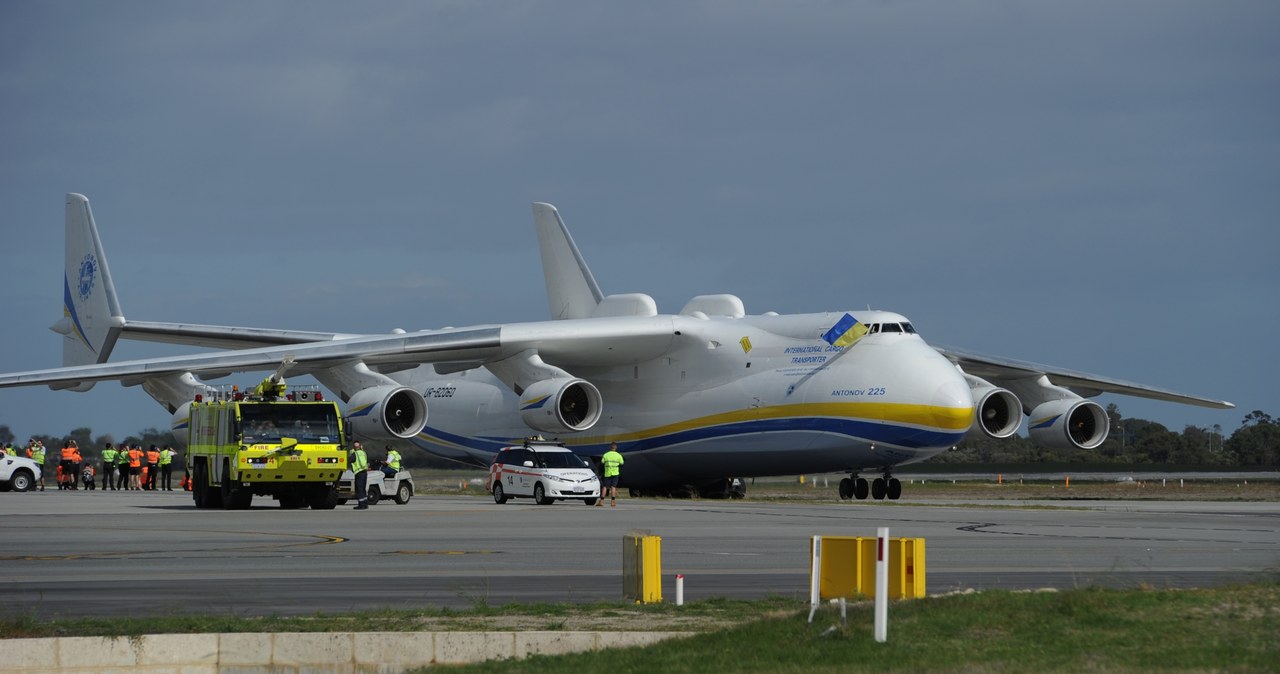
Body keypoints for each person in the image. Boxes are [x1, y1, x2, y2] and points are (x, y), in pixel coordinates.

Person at [598, 442, 624, 508]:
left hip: (607, 473)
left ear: (610, 447)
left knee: (605, 487)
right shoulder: (619, 455)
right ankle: (613, 502)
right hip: (615, 473)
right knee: (613, 487)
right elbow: (622, 463)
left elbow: (602, 462)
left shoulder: (606, 455)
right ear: (616, 448)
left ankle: (601, 501)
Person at [349, 441, 370, 510]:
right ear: (360, 446)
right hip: (365, 472)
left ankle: (361, 505)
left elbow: (349, 460)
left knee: (359, 489)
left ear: (354, 448)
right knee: (363, 489)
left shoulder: (354, 454)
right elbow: (366, 461)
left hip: (359, 473)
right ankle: (365, 504)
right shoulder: (364, 453)